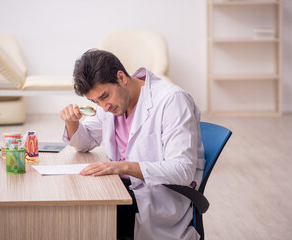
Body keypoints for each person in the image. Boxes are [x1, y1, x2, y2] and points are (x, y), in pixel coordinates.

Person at [60, 49, 205, 240]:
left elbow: (182, 170)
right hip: (120, 187)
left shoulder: (172, 100)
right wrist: (72, 122)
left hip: (157, 198)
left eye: (104, 97)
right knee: (72, 201)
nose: (103, 107)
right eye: (95, 101)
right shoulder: (111, 102)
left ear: (121, 77)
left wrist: (122, 166)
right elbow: (85, 142)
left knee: (81, 220)